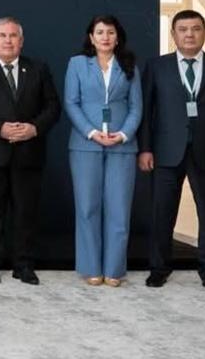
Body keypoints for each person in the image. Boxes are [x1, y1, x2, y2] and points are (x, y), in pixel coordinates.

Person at [140, 9, 205, 293]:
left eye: (196, 29)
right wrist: (145, 149)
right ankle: (159, 269)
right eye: (183, 29)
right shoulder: (156, 67)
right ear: (173, 34)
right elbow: (147, 112)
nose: (189, 34)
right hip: (165, 152)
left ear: (204, 33)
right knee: (162, 212)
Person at [0, 16, 59, 286]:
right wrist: (0, 128)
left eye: (13, 35)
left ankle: (23, 265)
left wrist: (33, 128)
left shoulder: (38, 68)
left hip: (29, 152)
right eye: (2, 36)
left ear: (21, 41)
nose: (8, 40)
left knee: (26, 212)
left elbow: (53, 106)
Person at [63, 15, 142, 287]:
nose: (105, 37)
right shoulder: (77, 64)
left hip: (122, 146)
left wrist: (123, 134)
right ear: (91, 37)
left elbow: (136, 107)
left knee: (119, 208)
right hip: (85, 144)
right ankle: (91, 267)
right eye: (100, 32)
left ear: (117, 37)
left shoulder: (129, 66)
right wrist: (91, 132)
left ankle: (114, 269)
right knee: (87, 207)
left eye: (110, 32)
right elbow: (71, 103)